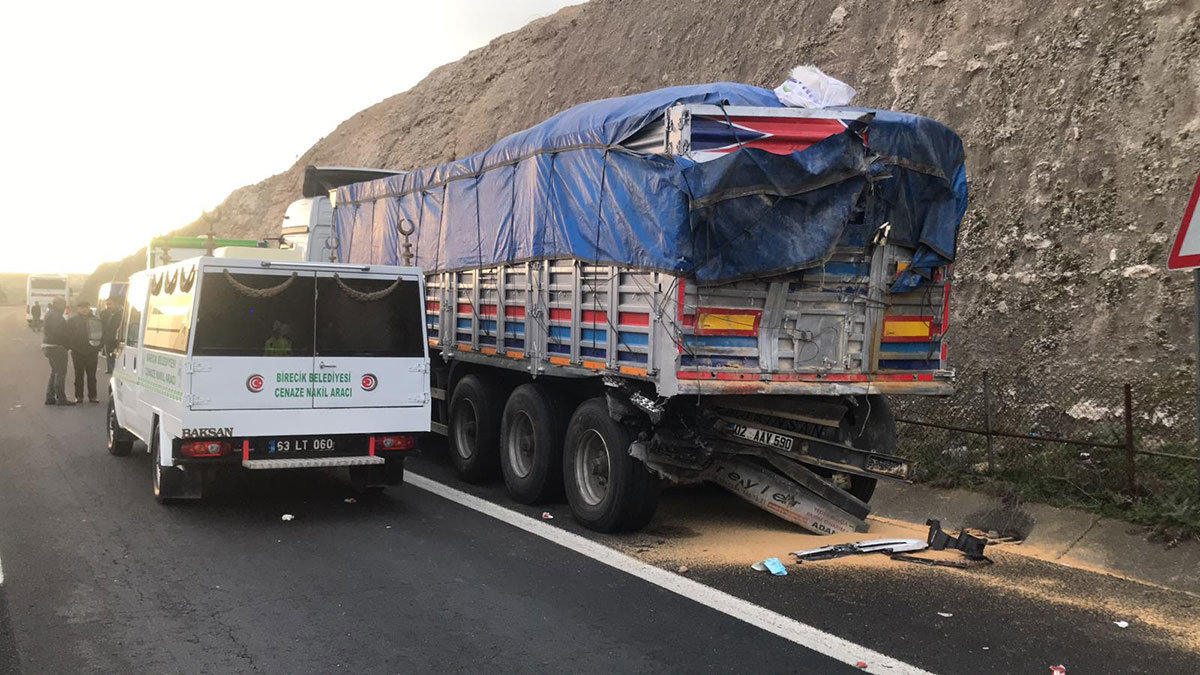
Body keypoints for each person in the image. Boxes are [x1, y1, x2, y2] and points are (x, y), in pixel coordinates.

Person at [67, 299, 102, 403]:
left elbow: (101, 335)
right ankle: (79, 396)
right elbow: (67, 336)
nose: (84, 310)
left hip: (92, 352)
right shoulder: (72, 321)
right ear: (78, 309)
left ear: (89, 308)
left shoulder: (96, 320)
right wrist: (72, 347)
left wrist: (98, 347)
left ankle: (93, 396)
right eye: (82, 307)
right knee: (79, 375)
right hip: (77, 352)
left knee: (91, 375)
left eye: (86, 307)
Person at [41, 298, 71, 405]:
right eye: (62, 304)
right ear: (57, 304)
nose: (64, 307)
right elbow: (58, 332)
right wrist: (67, 344)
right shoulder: (56, 316)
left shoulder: (51, 313)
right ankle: (61, 398)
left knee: (54, 371)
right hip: (56, 346)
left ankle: (50, 397)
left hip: (47, 345)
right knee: (60, 373)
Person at [99, 298, 122, 374]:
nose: (108, 306)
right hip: (108, 338)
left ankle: (115, 371)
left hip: (118, 339)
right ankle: (110, 370)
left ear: (116, 304)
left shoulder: (123, 313)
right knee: (109, 355)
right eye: (107, 304)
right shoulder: (105, 313)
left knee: (117, 356)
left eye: (110, 304)